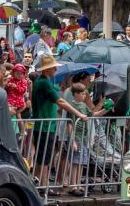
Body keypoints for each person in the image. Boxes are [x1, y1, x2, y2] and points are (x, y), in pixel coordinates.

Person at [31, 55, 88, 192]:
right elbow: (60, 101)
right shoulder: (44, 82)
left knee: (42, 158)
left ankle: (39, 185)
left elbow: (57, 103)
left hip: (46, 126)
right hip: (45, 126)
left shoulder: (44, 82)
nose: (56, 69)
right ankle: (43, 187)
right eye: (53, 67)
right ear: (47, 69)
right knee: (44, 158)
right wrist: (79, 114)